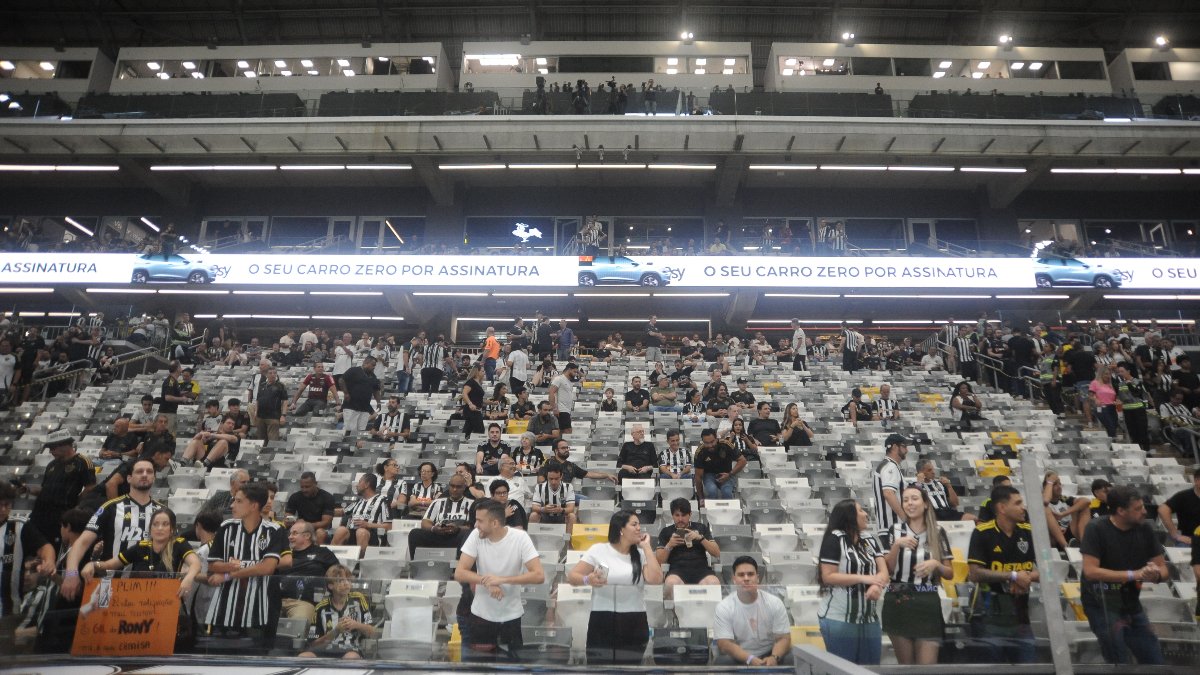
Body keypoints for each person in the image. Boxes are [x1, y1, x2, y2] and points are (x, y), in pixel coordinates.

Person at [1080, 485, 1167, 665]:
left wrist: (1155, 575)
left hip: (1130, 603)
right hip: (1101, 603)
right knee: (1118, 659)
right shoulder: (1096, 528)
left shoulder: (1145, 530)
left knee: (1154, 660)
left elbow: (1163, 570)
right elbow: (1090, 571)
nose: (1144, 512)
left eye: (1143, 506)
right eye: (1137, 509)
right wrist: (1134, 574)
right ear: (1120, 511)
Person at [568, 510, 664, 664]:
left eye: (639, 524)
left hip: (634, 620)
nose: (639, 528)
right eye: (634, 524)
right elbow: (573, 577)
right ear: (621, 529)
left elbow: (656, 579)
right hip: (602, 619)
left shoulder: (640, 554)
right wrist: (588, 579)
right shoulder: (599, 550)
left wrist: (646, 547)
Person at [60, 458, 162, 601]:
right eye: (139, 471)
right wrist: (71, 575)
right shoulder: (109, 507)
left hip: (149, 586)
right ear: (129, 478)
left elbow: (172, 550)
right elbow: (82, 542)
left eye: (149, 471)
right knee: (103, 623)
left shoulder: (162, 512)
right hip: (109, 583)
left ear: (154, 477)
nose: (144, 474)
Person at [454, 498, 545, 660]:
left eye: (480, 521)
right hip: (480, 616)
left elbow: (538, 575)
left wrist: (501, 580)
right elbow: (460, 572)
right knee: (478, 670)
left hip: (511, 617)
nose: (475, 525)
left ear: (495, 523)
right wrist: (486, 581)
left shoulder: (520, 538)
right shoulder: (476, 535)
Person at [204, 483, 288, 644]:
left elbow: (267, 568)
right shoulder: (225, 527)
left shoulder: (274, 530)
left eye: (238, 501)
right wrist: (249, 566)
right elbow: (213, 565)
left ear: (254, 506)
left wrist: (228, 573)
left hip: (259, 607)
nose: (232, 505)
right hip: (225, 607)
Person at [966, 485, 1040, 663]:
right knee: (994, 666)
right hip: (991, 613)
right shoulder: (982, 533)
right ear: (1002, 507)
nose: (1023, 507)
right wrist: (1013, 576)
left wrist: (1027, 577)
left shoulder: (1029, 531)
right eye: (1018, 503)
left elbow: (1045, 568)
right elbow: (974, 574)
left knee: (1028, 665)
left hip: (1021, 614)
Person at [881, 485, 953, 665]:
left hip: (927, 600)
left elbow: (950, 573)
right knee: (907, 667)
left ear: (926, 503)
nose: (909, 503)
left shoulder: (938, 532)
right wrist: (896, 545)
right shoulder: (895, 531)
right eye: (905, 500)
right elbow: (887, 570)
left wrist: (936, 564)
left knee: (927, 667)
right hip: (898, 600)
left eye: (914, 498)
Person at [817, 499, 888, 665]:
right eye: (860, 511)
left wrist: (877, 585)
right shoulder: (834, 539)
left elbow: (883, 571)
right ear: (849, 516)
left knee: (870, 668)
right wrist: (865, 578)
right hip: (839, 618)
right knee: (844, 669)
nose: (865, 514)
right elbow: (828, 576)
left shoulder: (870, 539)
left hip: (869, 618)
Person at [82, 508, 200, 598]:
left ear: (172, 529)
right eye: (155, 524)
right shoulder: (141, 546)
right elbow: (109, 565)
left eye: (165, 524)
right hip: (139, 603)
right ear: (150, 528)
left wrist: (188, 578)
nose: (159, 528)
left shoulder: (179, 544)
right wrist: (92, 564)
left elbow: (196, 564)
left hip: (166, 602)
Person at [713, 556, 791, 666]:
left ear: (758, 578)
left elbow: (784, 638)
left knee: (791, 657)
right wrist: (750, 659)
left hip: (769, 653)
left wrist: (774, 657)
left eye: (750, 574)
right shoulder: (724, 606)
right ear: (734, 579)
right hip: (740, 656)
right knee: (722, 662)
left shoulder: (774, 603)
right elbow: (724, 644)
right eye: (741, 575)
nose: (746, 578)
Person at [25, 430, 95, 545]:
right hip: (40, 513)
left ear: (66, 445)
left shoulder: (82, 461)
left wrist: (76, 505)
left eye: (53, 447)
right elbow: (44, 489)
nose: (51, 451)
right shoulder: (51, 465)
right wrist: (27, 489)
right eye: (50, 448)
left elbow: (90, 487)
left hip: (61, 514)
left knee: (55, 547)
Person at [0, 481, 55, 617]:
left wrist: (49, 561)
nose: (3, 510)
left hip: (10, 606)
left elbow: (44, 547)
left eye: (6, 505)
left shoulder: (19, 526)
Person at [300, 564, 378, 659]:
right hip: (325, 650)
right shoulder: (321, 607)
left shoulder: (359, 599)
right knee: (304, 656)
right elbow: (313, 644)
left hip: (351, 649)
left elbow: (372, 632)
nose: (346, 583)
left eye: (349, 580)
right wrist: (335, 631)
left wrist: (356, 625)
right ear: (330, 585)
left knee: (350, 657)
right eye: (341, 580)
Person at [279, 520, 340, 623]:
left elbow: (338, 575)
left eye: (294, 533)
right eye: (289, 534)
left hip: (303, 602)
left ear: (307, 535)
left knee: (298, 624)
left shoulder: (323, 553)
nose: (290, 537)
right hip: (276, 600)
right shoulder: (285, 555)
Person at [656, 497, 719, 596]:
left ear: (690, 514)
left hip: (701, 570)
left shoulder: (701, 528)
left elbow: (716, 553)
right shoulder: (666, 531)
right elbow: (659, 561)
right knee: (670, 583)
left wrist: (700, 538)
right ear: (672, 516)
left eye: (684, 515)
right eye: (677, 515)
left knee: (714, 583)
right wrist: (669, 545)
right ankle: (676, 612)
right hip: (677, 571)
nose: (680, 519)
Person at [407, 474, 475, 557]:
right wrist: (434, 528)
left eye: (458, 487)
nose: (454, 489)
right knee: (415, 534)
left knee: (468, 534)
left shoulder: (471, 504)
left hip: (458, 536)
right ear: (449, 486)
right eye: (452, 486)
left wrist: (458, 528)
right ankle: (417, 564)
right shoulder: (437, 502)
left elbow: (474, 526)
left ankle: (459, 566)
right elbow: (425, 522)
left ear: (464, 487)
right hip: (439, 535)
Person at [332, 473, 391, 557]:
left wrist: (367, 524)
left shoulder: (383, 500)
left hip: (372, 535)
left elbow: (389, 526)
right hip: (352, 532)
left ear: (366, 485)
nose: (357, 485)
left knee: (361, 532)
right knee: (341, 530)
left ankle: (361, 565)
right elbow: (342, 511)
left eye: (359, 482)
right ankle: (331, 562)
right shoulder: (359, 501)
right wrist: (324, 510)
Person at [871, 434, 910, 537]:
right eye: (904, 446)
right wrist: (905, 519)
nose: (907, 450)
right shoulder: (890, 466)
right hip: (893, 527)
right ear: (895, 447)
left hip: (889, 527)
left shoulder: (886, 465)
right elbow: (888, 493)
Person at [694, 428, 746, 504]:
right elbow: (698, 477)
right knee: (712, 490)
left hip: (727, 473)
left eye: (712, 442)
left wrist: (730, 474)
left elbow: (743, 461)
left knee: (727, 492)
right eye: (706, 443)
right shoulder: (700, 452)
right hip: (709, 475)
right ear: (703, 441)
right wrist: (701, 499)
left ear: (716, 439)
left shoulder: (726, 445)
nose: (710, 445)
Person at [915, 458, 975, 522]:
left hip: (947, 511)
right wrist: (919, 482)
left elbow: (955, 503)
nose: (933, 472)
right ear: (920, 473)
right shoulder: (915, 486)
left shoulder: (940, 483)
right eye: (929, 470)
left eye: (933, 469)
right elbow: (916, 500)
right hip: (931, 514)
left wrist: (949, 486)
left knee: (973, 518)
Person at [1158, 466, 1200, 547]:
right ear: (1197, 481)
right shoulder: (1184, 496)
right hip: (1189, 539)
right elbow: (1163, 509)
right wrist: (1175, 534)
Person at [1115, 361, 1151, 450]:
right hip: (1127, 411)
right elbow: (1120, 397)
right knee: (1132, 433)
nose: (1120, 374)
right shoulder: (1120, 384)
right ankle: (1137, 451)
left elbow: (1137, 393)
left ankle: (1147, 451)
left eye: (1122, 371)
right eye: (1119, 372)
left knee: (1142, 431)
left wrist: (1129, 384)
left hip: (1138, 410)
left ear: (1128, 371)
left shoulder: (1136, 381)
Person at [340, 356, 381, 434]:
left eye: (375, 365)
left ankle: (357, 445)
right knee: (350, 429)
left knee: (361, 431)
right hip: (351, 405)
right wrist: (346, 393)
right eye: (372, 365)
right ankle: (347, 445)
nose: (374, 367)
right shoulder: (354, 370)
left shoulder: (373, 376)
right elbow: (341, 380)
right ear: (365, 363)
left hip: (365, 407)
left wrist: (378, 402)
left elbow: (376, 390)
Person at [253, 368, 288, 442]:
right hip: (260, 416)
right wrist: (256, 412)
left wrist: (283, 415)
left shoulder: (280, 386)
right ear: (266, 375)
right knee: (260, 439)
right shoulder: (262, 385)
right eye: (270, 373)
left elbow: (285, 401)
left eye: (274, 373)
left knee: (273, 439)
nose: (273, 375)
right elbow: (257, 400)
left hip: (273, 417)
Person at [1089, 365, 1120, 439]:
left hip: (1112, 407)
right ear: (1101, 374)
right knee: (1110, 426)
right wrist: (1096, 399)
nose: (1108, 376)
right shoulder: (1095, 383)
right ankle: (1112, 445)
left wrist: (1117, 401)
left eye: (1109, 374)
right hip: (1102, 407)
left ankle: (1112, 444)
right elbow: (1090, 395)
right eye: (1106, 374)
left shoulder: (1110, 384)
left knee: (1114, 427)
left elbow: (1114, 397)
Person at [548, 362, 578, 434]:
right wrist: (554, 408)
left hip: (567, 410)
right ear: (569, 369)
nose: (575, 374)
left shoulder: (569, 382)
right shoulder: (559, 379)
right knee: (567, 431)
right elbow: (551, 392)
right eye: (574, 372)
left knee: (562, 431)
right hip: (561, 410)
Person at [462, 364, 486, 440]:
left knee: (468, 429)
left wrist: (490, 402)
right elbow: (464, 393)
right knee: (479, 430)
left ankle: (463, 442)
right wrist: (470, 404)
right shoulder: (471, 382)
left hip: (476, 409)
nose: (484, 372)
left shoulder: (478, 383)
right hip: (471, 410)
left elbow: (478, 398)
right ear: (477, 372)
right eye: (482, 371)